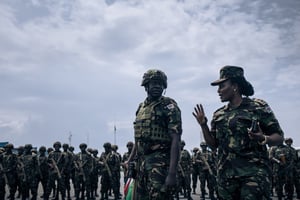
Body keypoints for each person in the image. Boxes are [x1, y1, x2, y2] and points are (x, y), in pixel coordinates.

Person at [193, 65, 284, 200]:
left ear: (235, 86)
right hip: (226, 178)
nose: (218, 91)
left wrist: (263, 138)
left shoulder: (258, 107)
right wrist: (203, 125)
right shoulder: (218, 114)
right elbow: (213, 145)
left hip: (253, 176)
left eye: (222, 86)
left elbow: (279, 137)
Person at [126, 69, 182, 200]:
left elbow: (176, 138)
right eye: (154, 83)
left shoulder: (168, 105)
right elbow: (138, 139)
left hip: (160, 164)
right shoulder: (141, 108)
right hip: (141, 164)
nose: (157, 86)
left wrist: (172, 173)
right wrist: (130, 160)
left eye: (160, 83)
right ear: (146, 86)